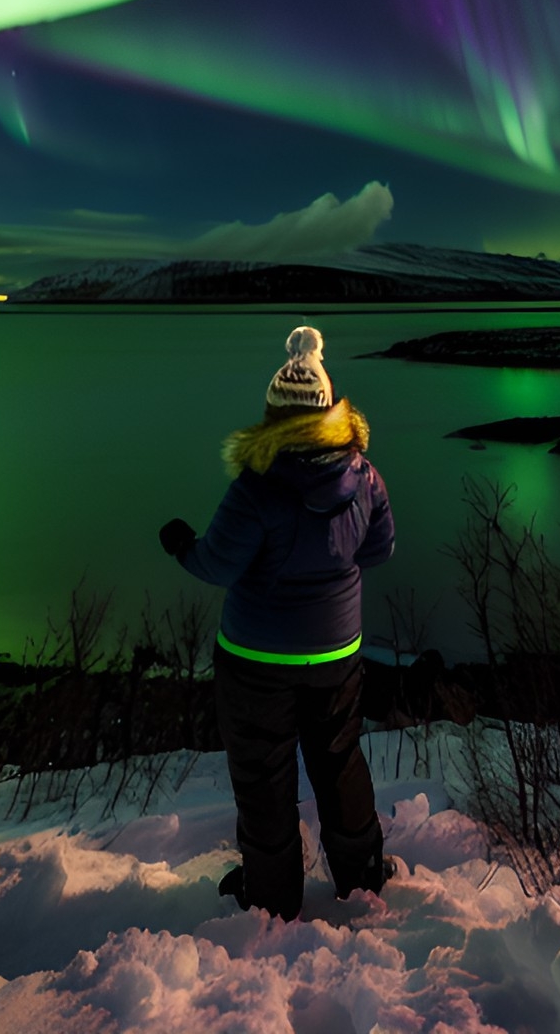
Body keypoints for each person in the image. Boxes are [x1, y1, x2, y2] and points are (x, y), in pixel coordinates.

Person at [159, 325, 396, 921]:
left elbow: (216, 563)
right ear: (330, 411)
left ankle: (271, 898)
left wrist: (181, 544)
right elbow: (378, 549)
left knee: (263, 775)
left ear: (274, 416)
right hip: (337, 651)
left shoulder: (257, 490)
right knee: (339, 760)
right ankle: (363, 877)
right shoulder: (362, 476)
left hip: (257, 660)